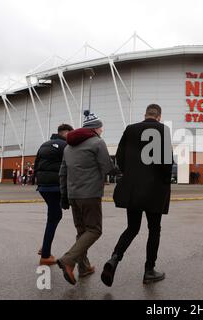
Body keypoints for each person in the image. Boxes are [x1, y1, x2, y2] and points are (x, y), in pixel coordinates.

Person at [101, 104, 173, 287]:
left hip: (133, 188)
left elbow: (119, 156)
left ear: (146, 114)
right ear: (159, 116)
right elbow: (166, 162)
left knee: (132, 228)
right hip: (155, 190)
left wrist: (130, 174)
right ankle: (149, 270)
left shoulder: (130, 129)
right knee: (154, 229)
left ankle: (115, 258)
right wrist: (164, 182)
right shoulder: (162, 130)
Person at [57, 111, 115, 286]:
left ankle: (84, 268)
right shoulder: (97, 142)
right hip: (89, 195)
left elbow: (63, 173)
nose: (102, 130)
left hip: (73, 195)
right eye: (101, 127)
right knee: (94, 230)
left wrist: (64, 196)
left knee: (82, 232)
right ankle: (68, 260)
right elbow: (107, 167)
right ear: (95, 128)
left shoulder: (68, 147)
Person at [34, 124, 74, 266]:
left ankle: (46, 247)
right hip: (55, 186)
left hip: (43, 187)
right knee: (54, 217)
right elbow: (70, 165)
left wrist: (36, 181)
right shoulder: (65, 146)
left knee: (54, 215)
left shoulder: (44, 144)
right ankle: (45, 255)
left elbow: (36, 163)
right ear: (67, 133)